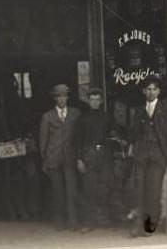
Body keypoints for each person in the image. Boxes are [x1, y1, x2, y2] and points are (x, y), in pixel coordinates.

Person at [129, 76, 167, 237]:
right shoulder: (138, 110)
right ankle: (137, 225)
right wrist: (134, 146)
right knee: (139, 190)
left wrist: (166, 147)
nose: (151, 92)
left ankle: (149, 225)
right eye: (148, 89)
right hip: (141, 155)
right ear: (144, 91)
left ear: (159, 91)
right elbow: (132, 133)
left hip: (158, 155)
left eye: (154, 89)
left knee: (153, 190)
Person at [38, 83, 81, 231]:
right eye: (58, 96)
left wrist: (79, 156)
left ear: (68, 97)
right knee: (57, 191)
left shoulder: (76, 114)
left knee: (71, 190)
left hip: (70, 157)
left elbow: (79, 137)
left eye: (64, 96)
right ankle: (60, 221)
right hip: (53, 158)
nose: (61, 99)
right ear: (54, 99)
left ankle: (73, 220)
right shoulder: (47, 116)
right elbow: (43, 139)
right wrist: (44, 159)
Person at [74, 88, 117, 232]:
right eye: (92, 99)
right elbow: (77, 141)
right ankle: (88, 222)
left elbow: (113, 134)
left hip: (104, 154)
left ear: (101, 101)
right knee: (89, 188)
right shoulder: (82, 119)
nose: (94, 102)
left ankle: (104, 220)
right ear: (88, 101)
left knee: (104, 187)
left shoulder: (107, 117)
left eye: (97, 99)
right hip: (88, 154)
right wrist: (79, 159)